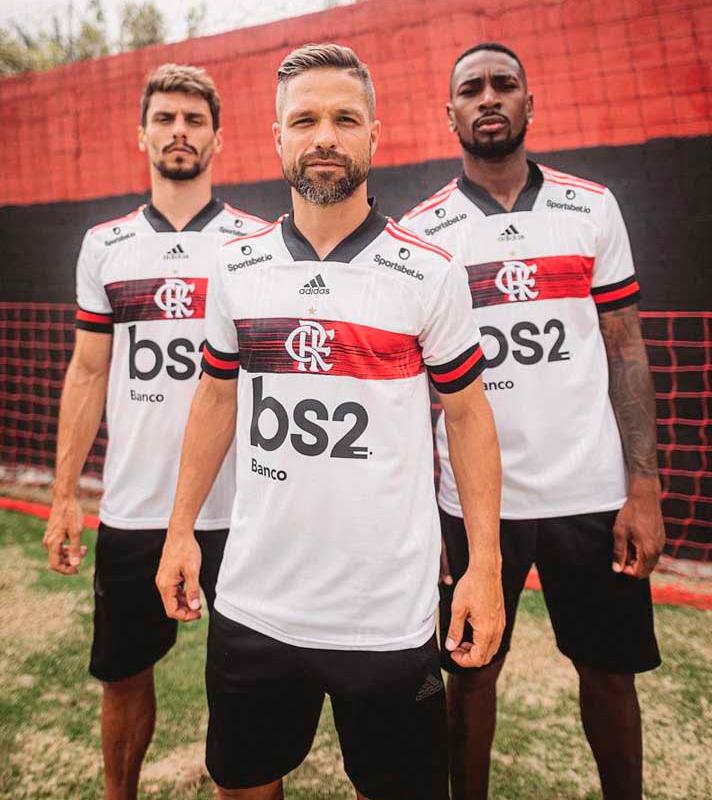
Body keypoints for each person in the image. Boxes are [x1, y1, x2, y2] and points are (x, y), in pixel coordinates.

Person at [155, 43, 504, 800]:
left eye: (345, 119)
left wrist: (485, 564)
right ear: (276, 137)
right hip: (255, 601)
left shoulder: (429, 270)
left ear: (374, 135)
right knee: (244, 782)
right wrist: (181, 528)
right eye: (305, 119)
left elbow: (470, 416)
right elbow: (215, 397)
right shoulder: (236, 266)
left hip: (385, 614)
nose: (324, 136)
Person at [401, 42, 664, 800]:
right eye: (471, 89)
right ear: (450, 113)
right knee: (470, 671)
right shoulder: (425, 233)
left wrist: (643, 487)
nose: (488, 97)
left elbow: (625, 348)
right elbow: (413, 389)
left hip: (591, 490)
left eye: (504, 84)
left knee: (609, 673)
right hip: (476, 501)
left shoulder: (592, 207)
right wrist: (422, 511)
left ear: (529, 103)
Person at [43, 63, 266, 800]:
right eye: (165, 119)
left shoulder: (255, 244)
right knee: (123, 675)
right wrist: (65, 494)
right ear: (141, 135)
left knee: (248, 690)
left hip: (240, 510)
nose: (179, 131)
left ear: (218, 139)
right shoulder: (105, 245)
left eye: (194, 120)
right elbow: (87, 371)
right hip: (136, 506)